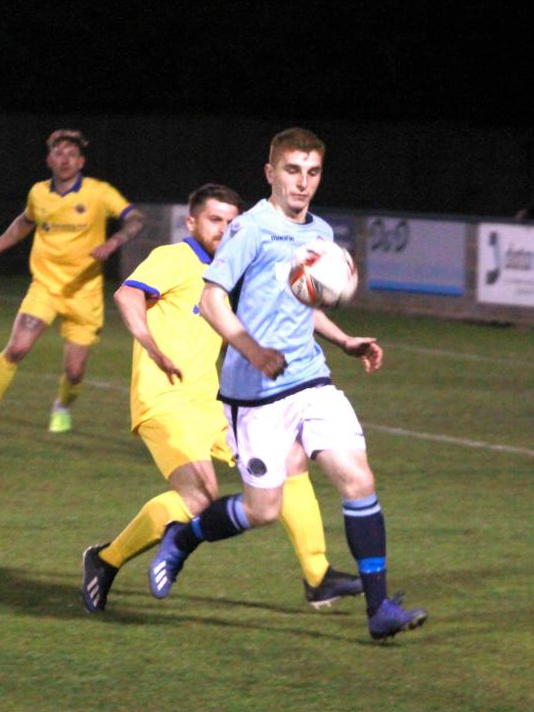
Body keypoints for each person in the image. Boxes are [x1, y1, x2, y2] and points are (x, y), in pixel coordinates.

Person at [145, 128, 427, 641]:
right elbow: (211, 300)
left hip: (310, 378)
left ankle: (379, 608)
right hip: (254, 393)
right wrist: (252, 349)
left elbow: (303, 304)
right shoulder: (249, 229)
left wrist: (344, 340)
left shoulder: (319, 232)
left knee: (358, 479)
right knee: (263, 510)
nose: (303, 183)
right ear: (270, 173)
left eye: (312, 172)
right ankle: (183, 539)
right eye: (292, 170)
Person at [81, 184, 362, 613]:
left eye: (232, 222)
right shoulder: (174, 258)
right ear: (191, 222)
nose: (224, 229)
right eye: (215, 220)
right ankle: (105, 560)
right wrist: (151, 346)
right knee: (199, 497)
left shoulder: (232, 270)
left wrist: (343, 340)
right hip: (165, 402)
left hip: (213, 402)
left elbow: (297, 299)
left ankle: (318, 575)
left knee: (290, 458)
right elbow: (127, 293)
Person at [0, 129, 145, 433]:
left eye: (72, 155)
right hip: (45, 287)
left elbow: (136, 218)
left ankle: (62, 407)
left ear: (81, 161)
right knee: (17, 348)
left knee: (74, 372)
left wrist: (114, 242)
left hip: (84, 293)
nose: (65, 160)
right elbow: (24, 223)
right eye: (59, 154)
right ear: (49, 159)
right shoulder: (38, 193)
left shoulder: (99, 192)